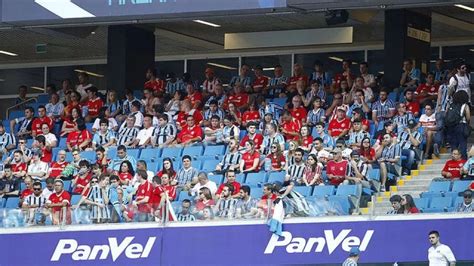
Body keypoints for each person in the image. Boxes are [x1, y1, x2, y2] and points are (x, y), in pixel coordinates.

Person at [445, 90, 470, 159]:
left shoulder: (450, 105)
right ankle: (463, 160)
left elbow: (446, 114)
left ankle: (454, 160)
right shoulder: (465, 105)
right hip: (461, 126)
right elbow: (468, 117)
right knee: (463, 143)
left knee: (453, 144)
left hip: (451, 127)